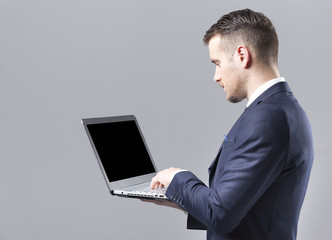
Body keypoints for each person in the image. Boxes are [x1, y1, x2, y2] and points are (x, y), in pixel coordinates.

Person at [145, 8, 314, 240]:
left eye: (217, 62)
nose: (216, 76)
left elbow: (220, 213)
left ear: (242, 56)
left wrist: (179, 178)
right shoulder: (283, 109)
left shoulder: (268, 118)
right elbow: (245, 209)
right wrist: (180, 197)